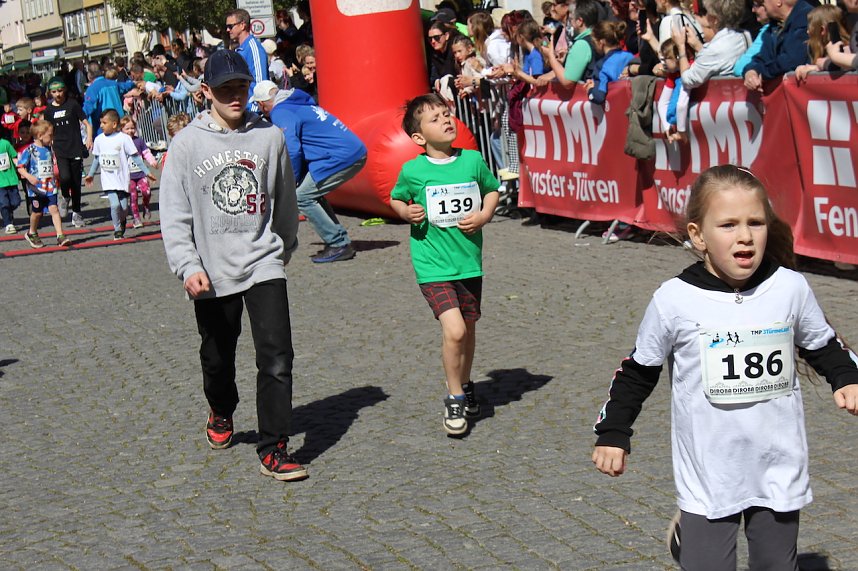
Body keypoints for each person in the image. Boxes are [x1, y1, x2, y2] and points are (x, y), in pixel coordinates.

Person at [592, 164, 858, 569]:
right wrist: (613, 432)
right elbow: (637, 370)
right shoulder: (674, 300)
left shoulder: (789, 287)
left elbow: (822, 342)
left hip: (776, 464)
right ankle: (691, 536)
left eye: (755, 222)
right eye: (728, 225)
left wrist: (847, 377)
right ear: (698, 236)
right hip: (709, 470)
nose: (745, 236)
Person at [160, 50, 305, 482]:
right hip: (210, 268)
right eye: (225, 89)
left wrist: (281, 251)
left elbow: (285, 199)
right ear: (206, 92)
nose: (236, 95)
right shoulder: (186, 144)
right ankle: (221, 410)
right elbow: (174, 213)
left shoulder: (270, 137)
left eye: (241, 86)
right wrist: (187, 266)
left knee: (277, 356)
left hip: (263, 262)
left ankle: (274, 446)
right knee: (217, 357)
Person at [389, 94, 500, 436]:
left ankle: (465, 383)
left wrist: (483, 215)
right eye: (435, 119)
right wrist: (406, 212)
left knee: (468, 331)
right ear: (419, 137)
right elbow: (396, 197)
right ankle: (454, 397)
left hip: (468, 263)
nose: (446, 120)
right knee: (455, 330)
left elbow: (491, 189)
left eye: (447, 113)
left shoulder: (472, 161)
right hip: (432, 265)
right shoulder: (413, 170)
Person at [252, 80, 365, 263]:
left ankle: (338, 243)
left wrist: (292, 180)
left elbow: (293, 149)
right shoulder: (296, 103)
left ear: (262, 103)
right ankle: (339, 240)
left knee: (301, 196)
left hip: (339, 156)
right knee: (312, 194)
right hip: (348, 151)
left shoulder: (280, 111)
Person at [85, 110, 155, 240]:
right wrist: (91, 174)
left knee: (123, 207)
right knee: (115, 204)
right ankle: (117, 229)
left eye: (104, 123)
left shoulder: (124, 139)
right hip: (108, 180)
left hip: (122, 180)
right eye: (100, 123)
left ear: (114, 124)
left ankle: (122, 221)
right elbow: (96, 159)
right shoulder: (99, 139)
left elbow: (136, 157)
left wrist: (147, 172)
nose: (101, 125)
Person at [43, 76, 92, 228]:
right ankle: (65, 196)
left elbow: (86, 123)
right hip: (59, 148)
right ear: (49, 93)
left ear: (64, 89)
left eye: (59, 90)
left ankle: (77, 213)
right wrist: (47, 146)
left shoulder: (72, 104)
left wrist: (89, 138)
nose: (57, 94)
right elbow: (47, 130)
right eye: (54, 92)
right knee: (64, 177)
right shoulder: (49, 110)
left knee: (76, 182)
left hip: (75, 145)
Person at [671, 0, 750, 89]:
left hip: (723, 96)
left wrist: (681, 46)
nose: (705, 16)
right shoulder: (745, 34)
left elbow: (687, 80)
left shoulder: (716, 48)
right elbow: (717, 61)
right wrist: (697, 45)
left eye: (707, 12)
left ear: (715, 20)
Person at [16, 120, 69, 248]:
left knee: (54, 209)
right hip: (36, 188)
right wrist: (29, 177)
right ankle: (32, 232)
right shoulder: (30, 150)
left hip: (50, 186)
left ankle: (60, 235)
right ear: (40, 135)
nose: (52, 138)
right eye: (50, 135)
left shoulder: (49, 148)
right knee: (37, 213)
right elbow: (20, 167)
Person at [743, 0, 812, 91]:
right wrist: (751, 71)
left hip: (809, 95)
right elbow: (763, 57)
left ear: (778, 2)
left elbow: (791, 61)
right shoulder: (773, 27)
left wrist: (761, 73)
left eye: (763, 1)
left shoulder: (807, 18)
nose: (763, 5)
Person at [540, 0, 601, 86]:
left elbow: (567, 81)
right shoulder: (596, 37)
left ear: (579, 21)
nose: (570, 23)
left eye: (571, 19)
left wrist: (551, 56)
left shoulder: (582, 44)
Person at [225, 9, 269, 111]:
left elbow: (260, 83)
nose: (227, 30)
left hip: (253, 112)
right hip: (243, 109)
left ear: (242, 25)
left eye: (230, 26)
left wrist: (254, 109)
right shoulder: (240, 49)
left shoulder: (253, 48)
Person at [119, 116, 159, 227]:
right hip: (129, 176)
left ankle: (146, 205)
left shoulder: (139, 141)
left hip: (141, 173)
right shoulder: (120, 142)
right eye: (127, 129)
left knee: (147, 192)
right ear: (121, 129)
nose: (130, 131)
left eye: (132, 128)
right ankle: (136, 218)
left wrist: (152, 161)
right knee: (133, 197)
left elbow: (146, 153)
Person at [585, 20, 634, 104]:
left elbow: (599, 96)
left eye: (594, 43)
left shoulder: (601, 66)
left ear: (601, 43)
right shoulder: (630, 56)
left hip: (616, 109)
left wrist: (590, 90)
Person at [795, 4, 850, 80]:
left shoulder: (848, 51)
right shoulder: (814, 50)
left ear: (822, 30)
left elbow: (845, 65)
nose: (807, 31)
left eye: (810, 27)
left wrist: (818, 68)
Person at [656, 39, 692, 143]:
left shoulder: (691, 69)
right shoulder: (672, 75)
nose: (662, 64)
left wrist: (681, 130)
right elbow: (662, 103)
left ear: (676, 58)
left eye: (665, 59)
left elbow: (681, 104)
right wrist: (668, 127)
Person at [733, 0, 771, 77]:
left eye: (757, 5)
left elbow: (740, 67)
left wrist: (752, 71)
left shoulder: (769, 31)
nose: (753, 9)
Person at [0, 133, 20, 233]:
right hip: (0, 182)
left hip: (11, 179)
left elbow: (14, 156)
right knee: (4, 203)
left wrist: (21, 168)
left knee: (16, 202)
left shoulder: (5, 143)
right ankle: (8, 224)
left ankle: (7, 212)